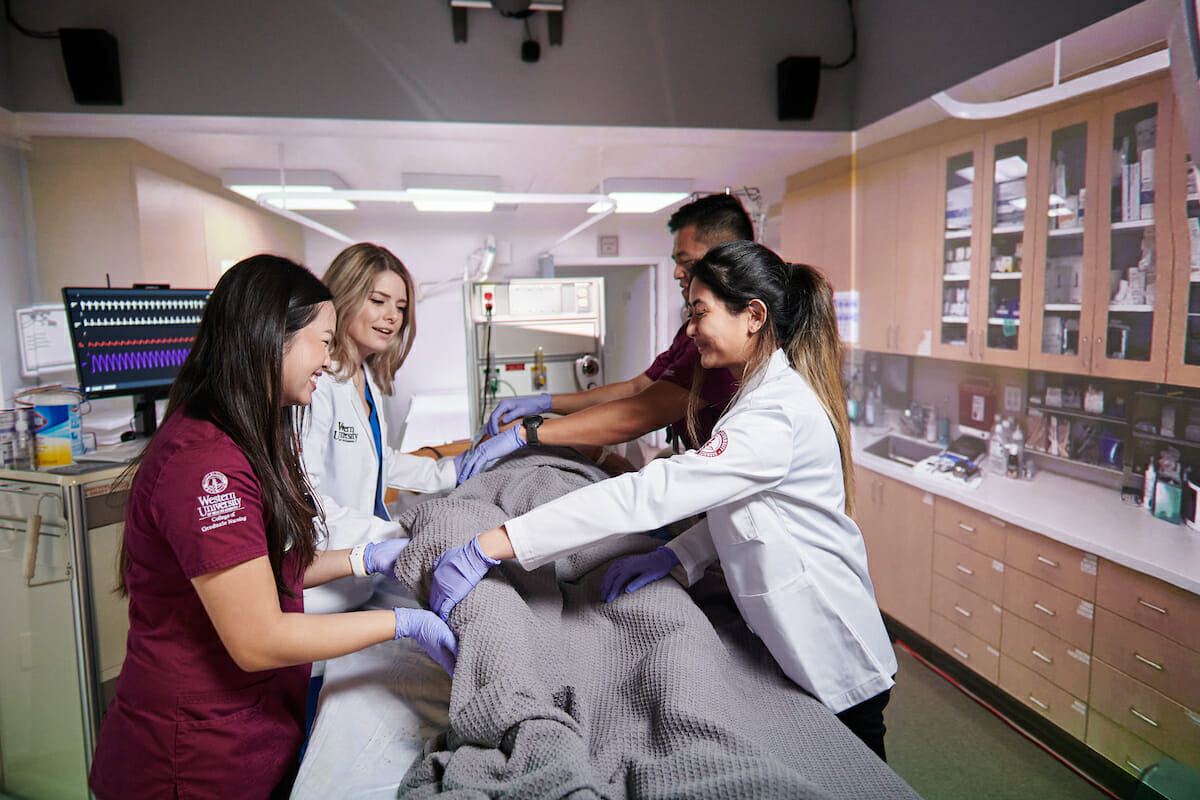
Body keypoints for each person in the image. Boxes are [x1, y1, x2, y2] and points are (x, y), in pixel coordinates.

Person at [429, 241, 897, 760]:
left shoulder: (775, 415)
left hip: (833, 649)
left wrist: (496, 543)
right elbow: (744, 511)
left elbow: (651, 493)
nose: (691, 328)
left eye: (700, 313)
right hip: (794, 637)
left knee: (855, 773)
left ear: (754, 317)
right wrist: (678, 555)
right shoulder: (757, 399)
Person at [88, 255, 456, 800]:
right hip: (190, 761)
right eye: (322, 342)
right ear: (271, 339)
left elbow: (255, 568)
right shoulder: (205, 464)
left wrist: (363, 559)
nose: (329, 360)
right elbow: (259, 638)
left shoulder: (251, 434)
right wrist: (405, 625)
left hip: (252, 736)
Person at [455, 193, 754, 481]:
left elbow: (637, 414)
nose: (676, 272)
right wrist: (545, 403)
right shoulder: (693, 333)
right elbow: (638, 388)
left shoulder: (729, 344)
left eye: (686, 261)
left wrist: (529, 431)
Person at [301, 242, 457, 615]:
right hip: (321, 588)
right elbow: (307, 498)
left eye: (401, 307)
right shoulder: (317, 384)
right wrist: (397, 535)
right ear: (345, 297)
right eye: (378, 300)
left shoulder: (364, 375)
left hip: (358, 579)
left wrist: (453, 471)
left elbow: (377, 459)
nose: (392, 316)